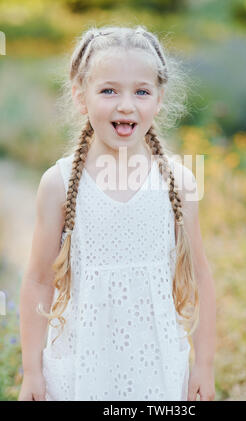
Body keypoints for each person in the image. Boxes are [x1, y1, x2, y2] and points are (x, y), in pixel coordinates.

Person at [18, 25, 216, 401]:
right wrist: (31, 370)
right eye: (109, 90)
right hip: (80, 368)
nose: (126, 105)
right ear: (80, 96)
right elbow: (39, 281)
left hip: (156, 368)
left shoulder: (178, 181)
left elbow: (200, 279)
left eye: (141, 91)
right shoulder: (58, 184)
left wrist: (203, 365)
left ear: (159, 99)